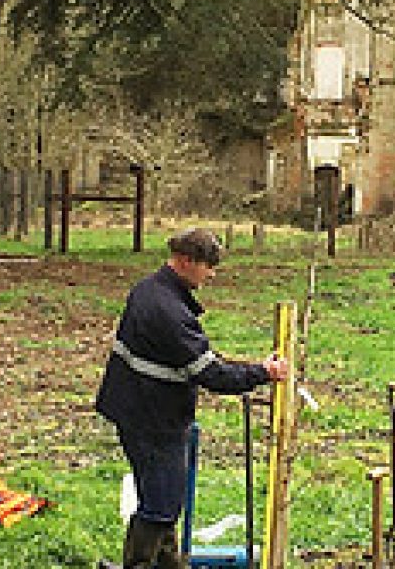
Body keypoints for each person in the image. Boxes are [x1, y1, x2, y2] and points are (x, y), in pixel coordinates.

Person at [96, 228, 288, 569]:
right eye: (208, 266)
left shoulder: (148, 290)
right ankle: (137, 564)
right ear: (185, 261)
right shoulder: (169, 312)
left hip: (137, 409)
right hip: (153, 420)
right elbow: (211, 373)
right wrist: (263, 373)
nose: (211, 274)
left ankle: (169, 564)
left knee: (163, 499)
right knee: (160, 504)